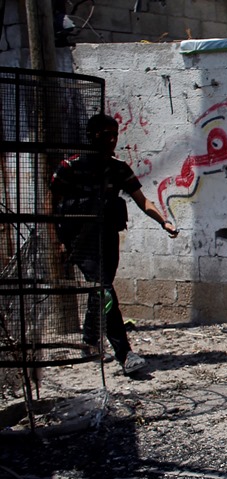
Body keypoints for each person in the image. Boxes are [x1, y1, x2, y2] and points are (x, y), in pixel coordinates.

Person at [49, 113, 179, 375]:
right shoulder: (71, 167)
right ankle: (125, 354)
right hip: (80, 240)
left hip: (107, 236)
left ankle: (89, 340)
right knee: (104, 289)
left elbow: (142, 200)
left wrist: (162, 221)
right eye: (104, 134)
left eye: (114, 134)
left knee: (102, 288)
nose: (110, 140)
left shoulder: (118, 168)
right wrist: (58, 241)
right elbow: (51, 202)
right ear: (91, 135)